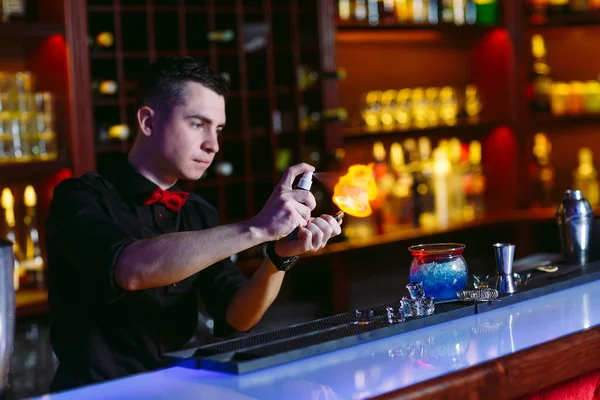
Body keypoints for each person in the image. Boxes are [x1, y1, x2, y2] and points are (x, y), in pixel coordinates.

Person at [45, 56, 342, 392]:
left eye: (218, 129)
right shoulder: (79, 198)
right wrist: (258, 228)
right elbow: (131, 269)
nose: (213, 145)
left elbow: (236, 316)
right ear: (147, 122)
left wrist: (278, 258)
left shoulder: (198, 212)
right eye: (198, 124)